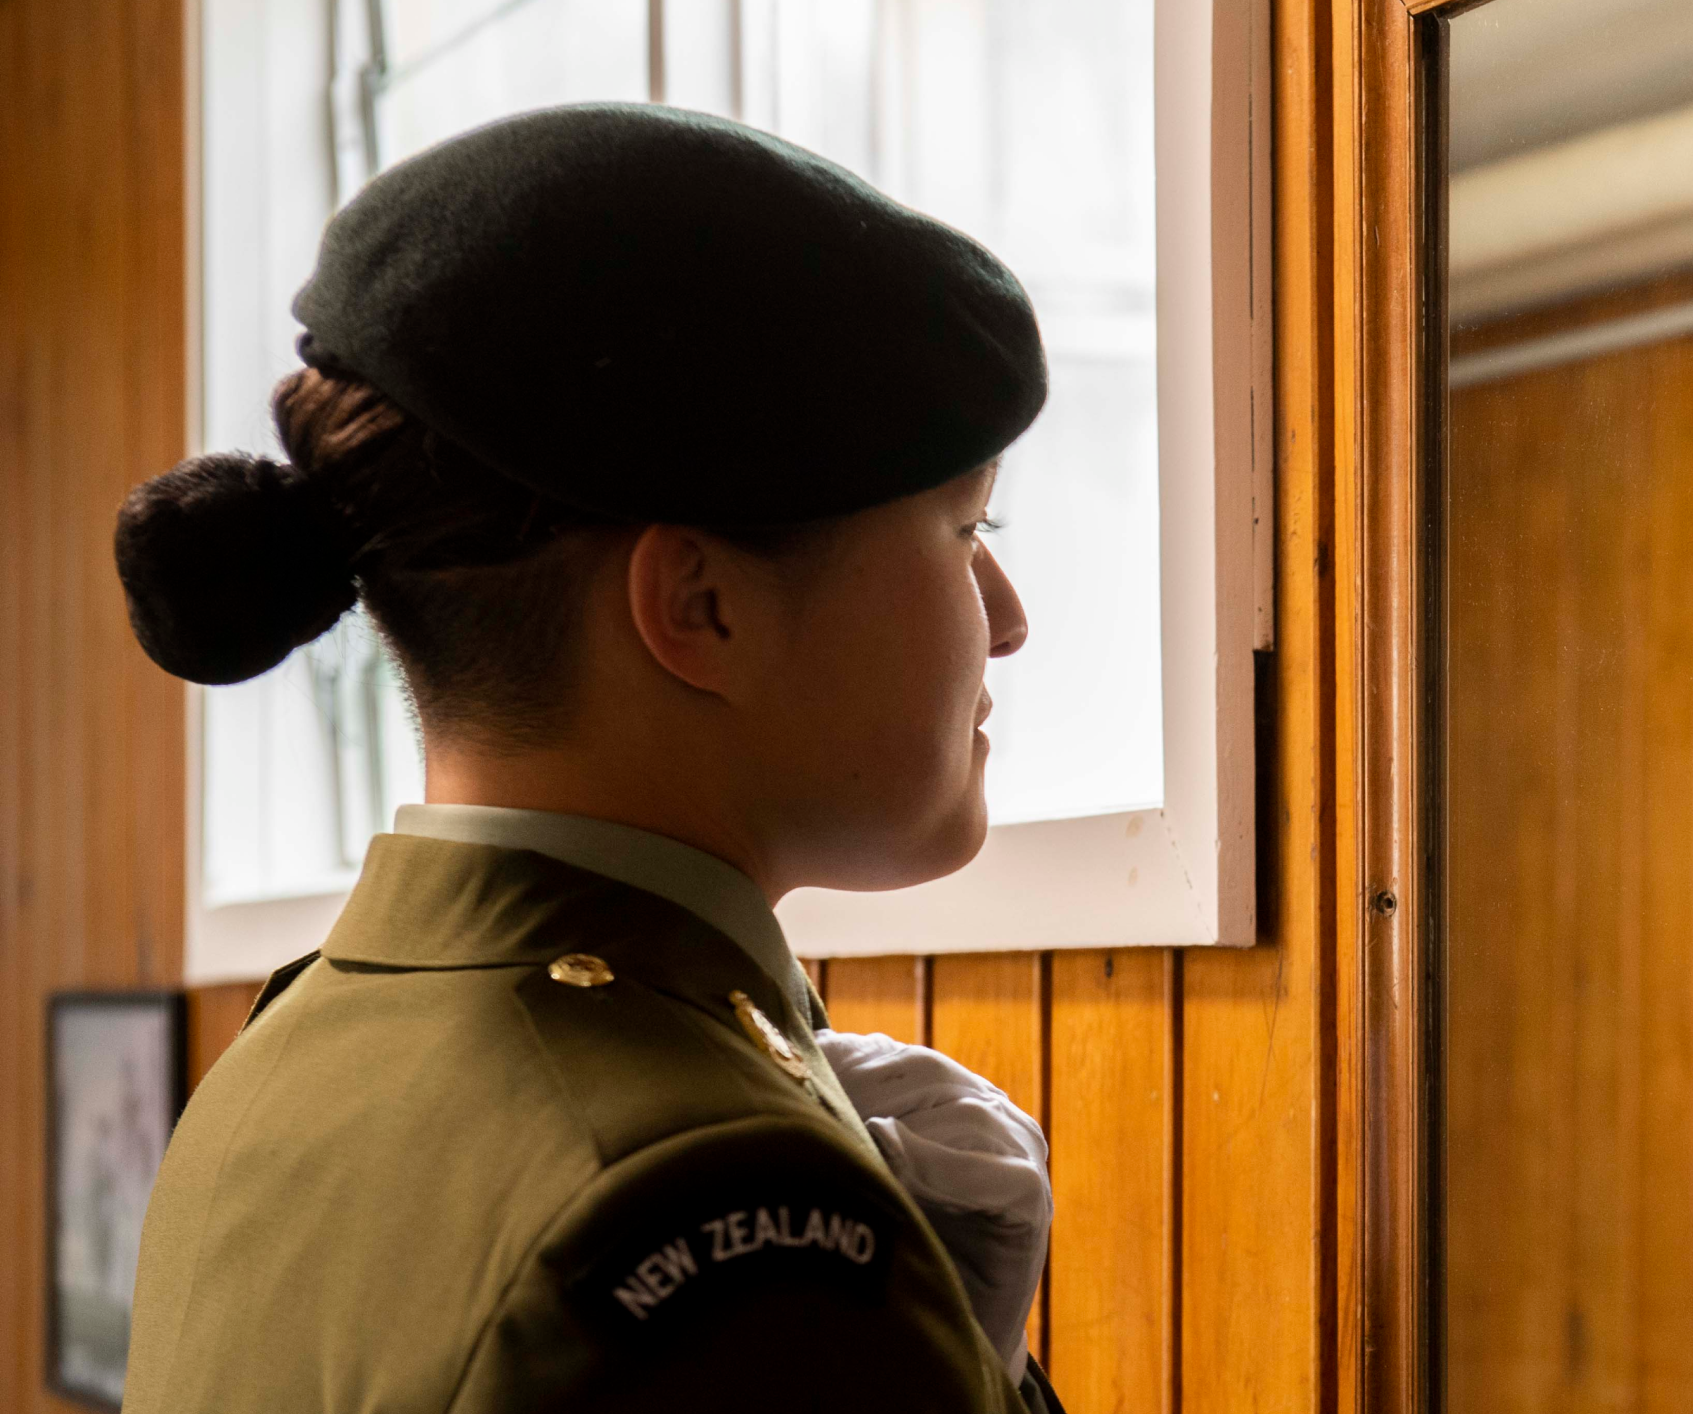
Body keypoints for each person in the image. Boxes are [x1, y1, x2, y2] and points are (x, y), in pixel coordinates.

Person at [118, 104, 1069, 1413]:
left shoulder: (278, 1063)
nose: (1007, 618)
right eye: (967, 528)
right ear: (698, 606)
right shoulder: (724, 1213)